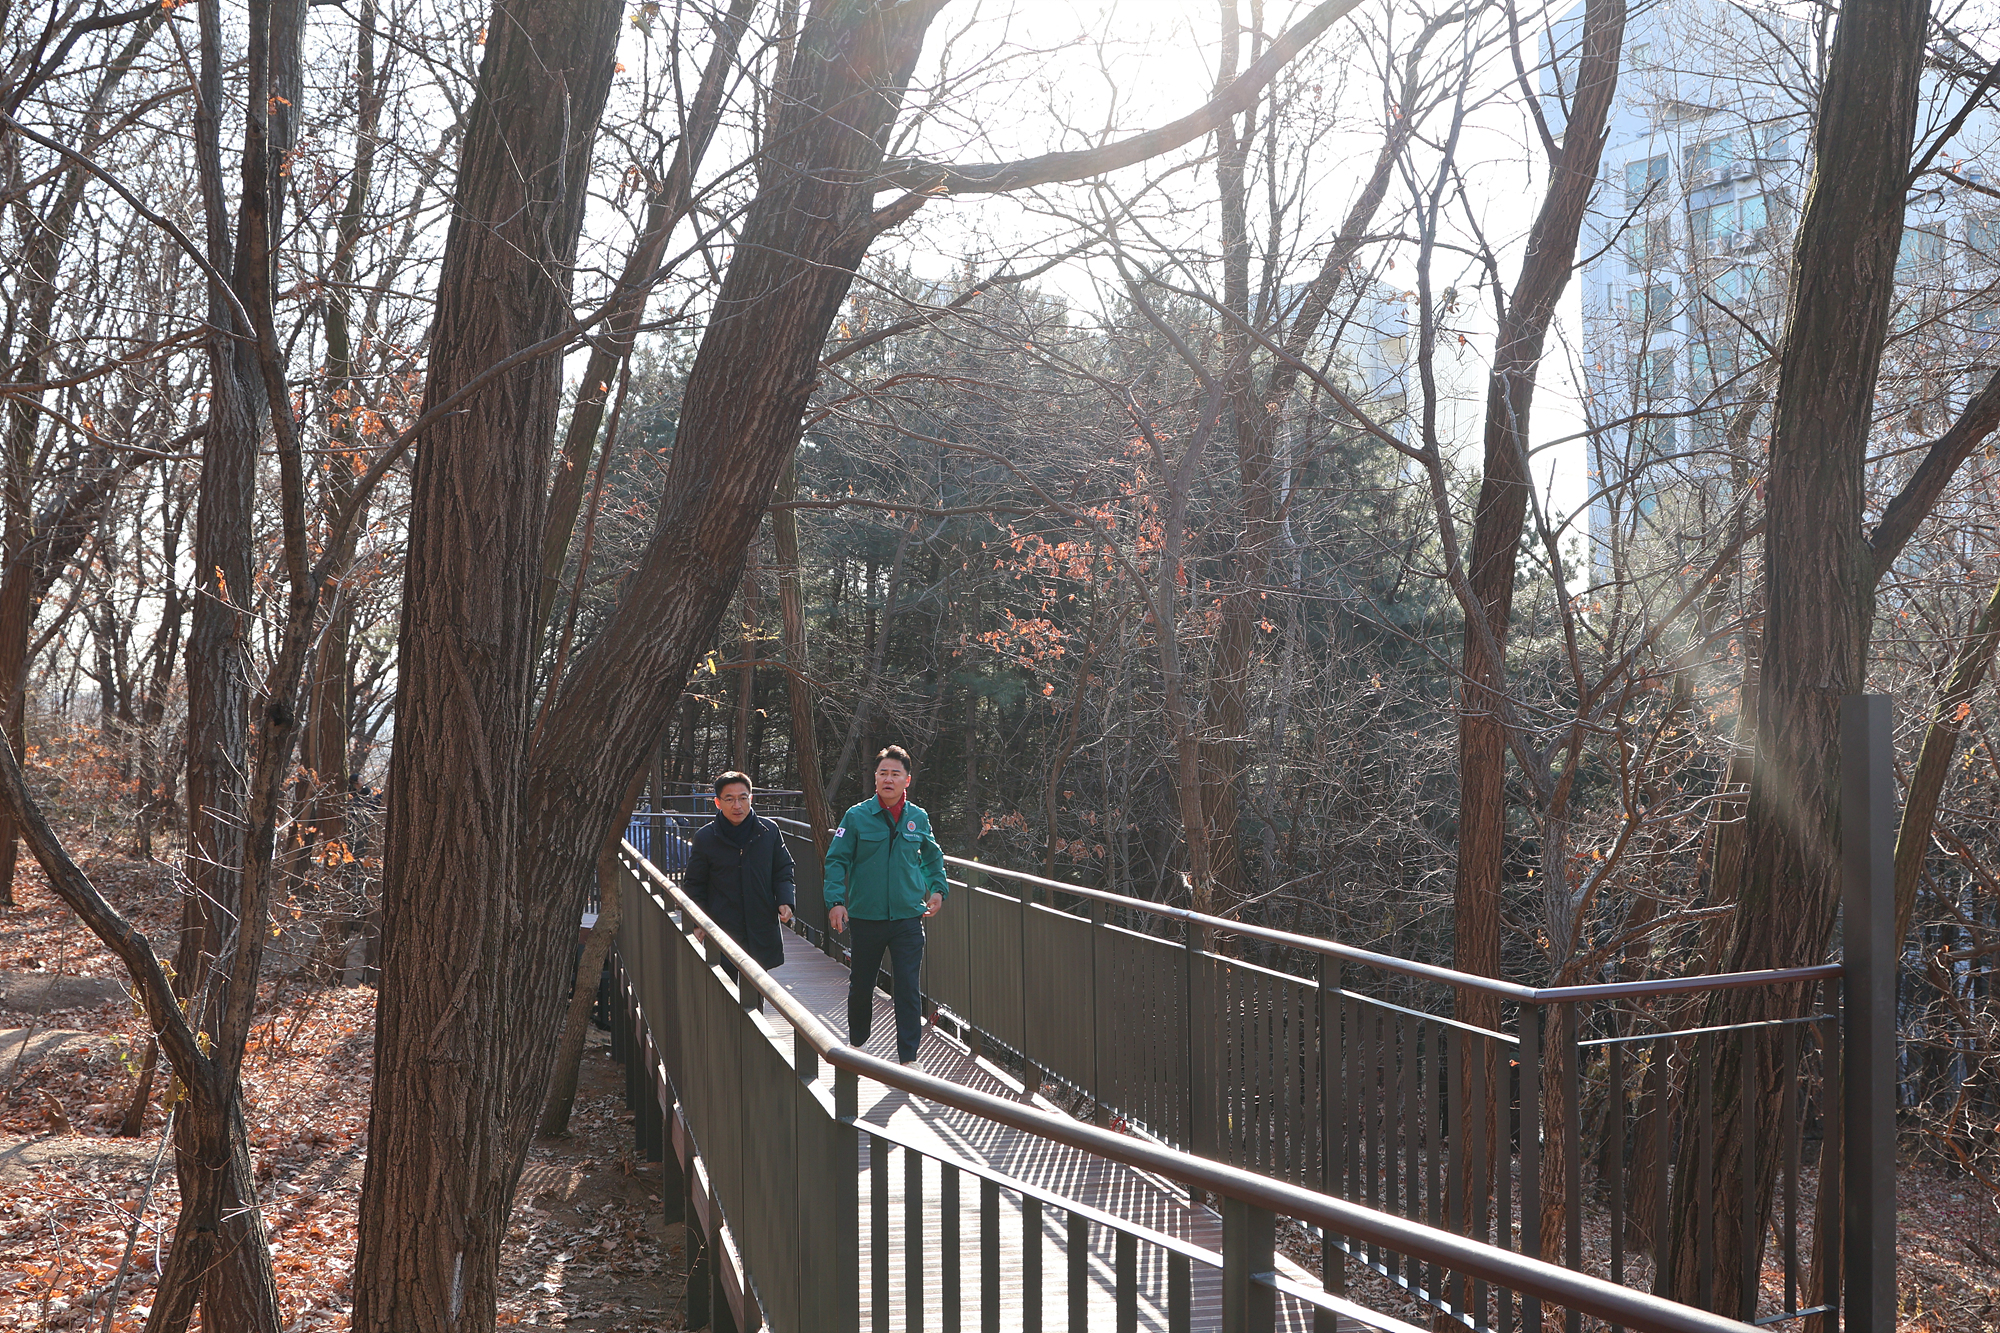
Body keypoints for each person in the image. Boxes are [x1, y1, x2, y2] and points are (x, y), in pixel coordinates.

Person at [823, 745, 947, 1065]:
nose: (888, 779)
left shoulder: (918, 817)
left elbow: (932, 858)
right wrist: (836, 901)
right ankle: (858, 1049)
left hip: (908, 917)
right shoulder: (856, 816)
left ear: (907, 780)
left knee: (907, 988)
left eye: (895, 774)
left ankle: (909, 1059)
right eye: (883, 773)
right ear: (875, 778)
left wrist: (937, 891)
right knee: (862, 985)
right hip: (867, 917)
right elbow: (836, 860)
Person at [683, 772, 796, 986]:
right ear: (718, 802)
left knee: (756, 991)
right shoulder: (706, 837)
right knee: (723, 994)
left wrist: (785, 900)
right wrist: (697, 922)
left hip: (760, 925)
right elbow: (694, 884)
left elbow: (783, 869)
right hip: (721, 928)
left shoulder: (768, 831)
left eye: (743, 798)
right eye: (730, 799)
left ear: (751, 799)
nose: (737, 805)